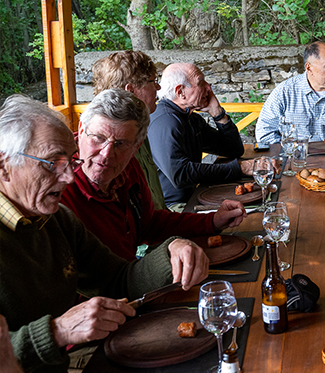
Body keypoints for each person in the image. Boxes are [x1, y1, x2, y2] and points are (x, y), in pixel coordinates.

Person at [0, 95, 209, 372]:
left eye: (70, 162)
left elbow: (116, 280)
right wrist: (58, 331)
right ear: (4, 166)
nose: (70, 178)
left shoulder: (56, 220)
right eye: (52, 163)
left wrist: (172, 249)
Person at [61, 89, 247, 261]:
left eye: (120, 144)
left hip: (129, 281)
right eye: (98, 138)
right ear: (82, 129)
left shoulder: (129, 167)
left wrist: (212, 220)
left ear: (137, 146)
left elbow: (150, 224)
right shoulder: (57, 186)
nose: (106, 153)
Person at [148, 62, 254, 207]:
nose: (209, 88)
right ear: (180, 92)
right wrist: (240, 168)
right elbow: (181, 175)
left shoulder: (190, 118)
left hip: (197, 196)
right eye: (201, 83)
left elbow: (233, 150)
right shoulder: (165, 122)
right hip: (174, 208)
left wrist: (218, 113)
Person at [92, 50, 167, 210]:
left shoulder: (139, 131)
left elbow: (157, 209)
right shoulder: (108, 149)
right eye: (153, 81)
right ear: (131, 91)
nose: (158, 87)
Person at [255, 41, 325, 144]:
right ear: (309, 68)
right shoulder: (285, 92)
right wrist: (288, 149)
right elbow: (264, 133)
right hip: (294, 158)